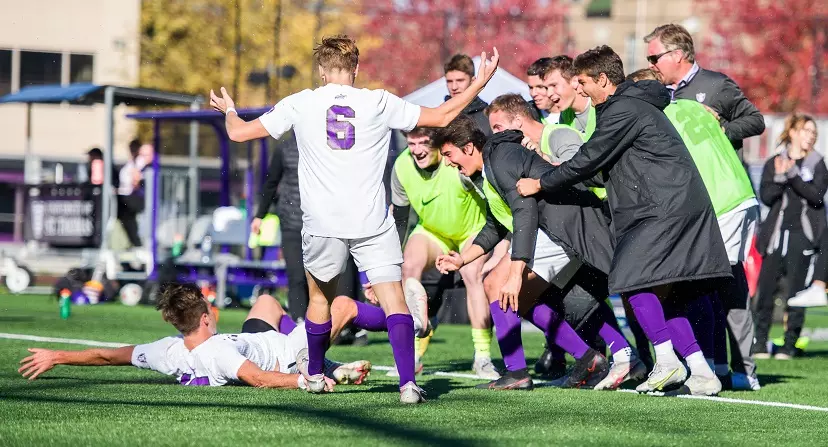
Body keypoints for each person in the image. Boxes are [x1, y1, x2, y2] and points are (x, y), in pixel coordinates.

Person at [209, 35, 500, 404]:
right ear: (357, 68)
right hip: (371, 220)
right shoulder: (377, 101)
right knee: (394, 299)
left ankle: (314, 375)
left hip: (322, 222)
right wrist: (480, 82)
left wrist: (231, 110)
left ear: (321, 70)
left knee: (320, 301)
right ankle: (408, 385)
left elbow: (237, 133)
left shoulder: (301, 103)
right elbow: (442, 116)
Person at [516, 46, 732, 396]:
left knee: (629, 278)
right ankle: (702, 372)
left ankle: (666, 360)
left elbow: (588, 159)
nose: (580, 89)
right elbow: (604, 172)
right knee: (665, 291)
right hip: (667, 204)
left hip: (663, 208)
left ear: (602, 79)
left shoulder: (622, 108)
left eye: (583, 82)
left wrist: (540, 182)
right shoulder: (627, 107)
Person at [434, 115, 645, 391]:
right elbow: (497, 223)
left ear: (469, 148)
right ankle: (600, 358)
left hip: (563, 229)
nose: (448, 162)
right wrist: (462, 258)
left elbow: (524, 210)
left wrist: (516, 269)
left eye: (449, 154)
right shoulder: (488, 168)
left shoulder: (500, 158)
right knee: (564, 300)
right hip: (559, 229)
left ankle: (518, 372)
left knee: (497, 285)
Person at [628, 68, 761, 391]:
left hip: (719, 202)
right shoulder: (690, 106)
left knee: (700, 286)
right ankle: (722, 369)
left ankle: (715, 370)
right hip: (741, 194)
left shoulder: (659, 119)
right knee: (712, 286)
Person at [18, 283, 371, 389]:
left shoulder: (168, 351)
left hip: (255, 338)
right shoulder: (219, 354)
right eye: (209, 308)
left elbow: (110, 355)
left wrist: (56, 356)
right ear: (205, 318)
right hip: (286, 354)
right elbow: (259, 378)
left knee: (265, 300)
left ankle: (327, 360)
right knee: (341, 304)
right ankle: (408, 321)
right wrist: (302, 382)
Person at [387, 126, 498, 380]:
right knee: (407, 267)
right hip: (433, 231)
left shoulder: (453, 162)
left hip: (472, 229)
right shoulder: (402, 167)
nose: (417, 150)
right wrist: (387, 262)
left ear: (437, 143)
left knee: (472, 274)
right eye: (411, 143)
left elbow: (492, 197)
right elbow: (401, 220)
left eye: (423, 143)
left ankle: (482, 357)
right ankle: (411, 356)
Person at [753, 113, 825, 360]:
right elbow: (766, 195)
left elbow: (816, 196)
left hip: (801, 237)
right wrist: (784, 176)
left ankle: (789, 344)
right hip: (774, 236)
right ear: (792, 132)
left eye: (813, 132)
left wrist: (793, 175)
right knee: (765, 292)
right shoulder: (775, 162)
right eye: (806, 130)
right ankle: (759, 343)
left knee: (795, 292)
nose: (811, 135)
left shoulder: (817, 163)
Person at [644, 23, 765, 157]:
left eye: (654, 59)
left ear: (677, 55)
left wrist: (721, 130)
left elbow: (756, 121)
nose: (650, 65)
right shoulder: (654, 90)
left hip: (712, 176)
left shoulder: (717, 85)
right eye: (648, 59)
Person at [253, 131, 308, 321]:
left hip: (319, 223)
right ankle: (299, 321)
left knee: (320, 276)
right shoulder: (285, 148)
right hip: (291, 221)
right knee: (297, 275)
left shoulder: (323, 145)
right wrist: (260, 215)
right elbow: (271, 183)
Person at [542, 56, 596, 139]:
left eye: (554, 85)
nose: (548, 93)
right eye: (546, 88)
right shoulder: (565, 116)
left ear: (574, 81)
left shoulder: (601, 108)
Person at [444, 54, 492, 136]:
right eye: (449, 81)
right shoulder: (441, 115)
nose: (454, 87)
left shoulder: (488, 116)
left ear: (473, 81)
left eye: (460, 80)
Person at [116, 139, 146, 248]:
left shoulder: (141, 162)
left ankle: (136, 243)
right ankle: (132, 242)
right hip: (126, 196)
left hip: (135, 198)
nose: (132, 150)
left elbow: (136, 181)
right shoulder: (130, 163)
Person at [525, 57, 556, 124]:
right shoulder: (525, 115)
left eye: (540, 87)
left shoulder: (574, 112)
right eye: (531, 88)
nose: (533, 93)